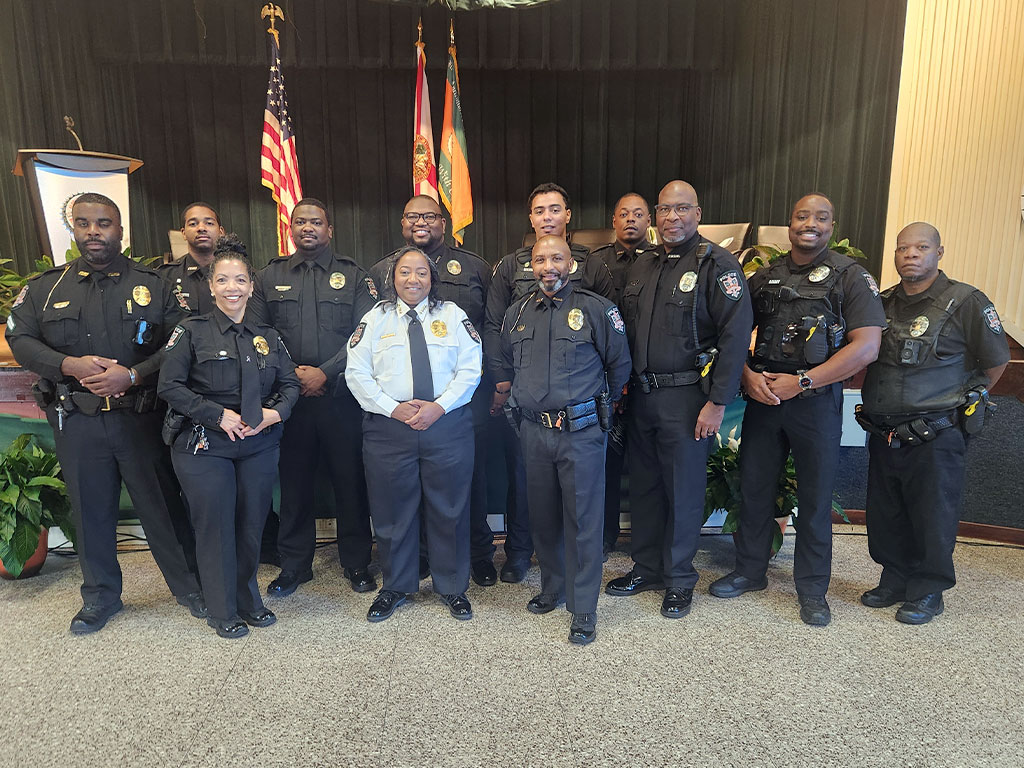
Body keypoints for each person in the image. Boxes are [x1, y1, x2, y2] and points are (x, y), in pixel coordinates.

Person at [7, 192, 204, 634]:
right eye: (84, 224)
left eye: (103, 223)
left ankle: (192, 590)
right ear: (73, 230)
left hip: (140, 417)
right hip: (77, 420)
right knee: (90, 511)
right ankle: (99, 598)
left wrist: (132, 376)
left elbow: (182, 340)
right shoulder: (45, 288)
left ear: (120, 230)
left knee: (163, 508)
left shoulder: (154, 284)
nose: (93, 231)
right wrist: (68, 366)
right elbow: (21, 340)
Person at [709, 193, 886, 626]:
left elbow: (867, 346)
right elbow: (729, 333)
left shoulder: (850, 277)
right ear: (790, 224)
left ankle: (812, 590)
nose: (810, 223)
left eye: (821, 217)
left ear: (832, 226)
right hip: (765, 397)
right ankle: (750, 571)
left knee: (815, 498)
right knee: (754, 490)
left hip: (814, 401)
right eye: (802, 216)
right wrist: (747, 376)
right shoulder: (765, 276)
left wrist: (804, 381)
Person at [604, 181, 752, 620]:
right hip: (643, 397)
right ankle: (647, 568)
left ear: (698, 213)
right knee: (646, 489)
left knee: (683, 491)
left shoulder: (716, 264)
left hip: (689, 398)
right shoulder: (645, 263)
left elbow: (735, 336)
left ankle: (680, 579)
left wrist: (717, 402)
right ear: (656, 214)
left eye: (681, 209)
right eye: (665, 210)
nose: (672, 218)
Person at [857, 222, 1008, 624]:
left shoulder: (967, 301)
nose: (911, 254)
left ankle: (928, 590)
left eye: (921, 247)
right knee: (886, 511)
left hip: (937, 431)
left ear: (939, 252)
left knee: (932, 513)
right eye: (903, 248)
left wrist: (961, 402)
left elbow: (996, 362)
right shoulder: (882, 303)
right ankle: (894, 579)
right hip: (884, 430)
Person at [158, 235, 299, 639]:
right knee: (216, 525)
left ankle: (247, 598)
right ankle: (221, 608)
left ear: (252, 286)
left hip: (258, 443)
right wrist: (217, 415)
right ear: (211, 285)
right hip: (205, 446)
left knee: (251, 524)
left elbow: (289, 384)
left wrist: (274, 414)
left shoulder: (267, 336)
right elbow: (169, 386)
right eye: (223, 280)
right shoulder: (190, 332)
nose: (232, 288)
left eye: (240, 280)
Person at [499, 235, 631, 644]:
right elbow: (507, 361)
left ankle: (584, 606)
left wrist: (594, 412)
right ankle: (553, 587)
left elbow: (619, 367)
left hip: (581, 433)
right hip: (534, 432)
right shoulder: (516, 313)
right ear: (532, 266)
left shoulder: (596, 309)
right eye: (540, 259)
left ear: (570, 264)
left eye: (556, 258)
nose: (547, 266)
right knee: (543, 516)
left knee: (583, 522)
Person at [248, 198, 378, 597]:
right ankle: (294, 565)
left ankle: (356, 563)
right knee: (294, 484)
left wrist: (325, 372)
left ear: (329, 229)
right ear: (291, 228)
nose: (309, 227)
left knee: (350, 483)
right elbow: (258, 334)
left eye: (317, 222)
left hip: (341, 399)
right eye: (301, 221)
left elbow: (366, 333)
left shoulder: (353, 276)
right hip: (289, 403)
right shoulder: (268, 277)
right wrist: (294, 376)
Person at [485, 182, 614, 584]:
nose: (547, 217)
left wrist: (600, 394)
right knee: (529, 488)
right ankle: (522, 554)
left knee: (578, 502)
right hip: (528, 405)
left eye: (554, 209)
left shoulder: (589, 264)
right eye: (539, 211)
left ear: (567, 216)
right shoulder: (510, 266)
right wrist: (503, 382)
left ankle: (578, 590)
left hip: (578, 407)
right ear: (531, 218)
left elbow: (611, 333)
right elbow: (495, 326)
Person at [346, 246, 482, 623]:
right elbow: (356, 373)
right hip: (390, 428)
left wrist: (439, 407)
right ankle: (396, 586)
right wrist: (394, 408)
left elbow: (471, 370)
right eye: (405, 272)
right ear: (393, 278)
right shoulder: (375, 319)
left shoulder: (454, 317)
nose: (413, 280)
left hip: (446, 425)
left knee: (450, 509)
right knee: (392, 511)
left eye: (421, 273)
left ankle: (453, 587)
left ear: (433, 279)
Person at [368, 195, 497, 587]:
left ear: (444, 221)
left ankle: (475, 558)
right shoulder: (377, 274)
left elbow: (489, 329)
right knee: (401, 500)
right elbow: (363, 356)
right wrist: (393, 408)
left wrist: (446, 404)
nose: (413, 279)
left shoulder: (475, 268)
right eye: (412, 216)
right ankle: (413, 568)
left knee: (461, 492)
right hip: (395, 417)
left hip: (458, 405)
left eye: (429, 215)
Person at [588, 193, 656, 556]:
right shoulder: (595, 263)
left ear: (650, 221)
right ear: (613, 221)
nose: (631, 220)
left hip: (649, 375)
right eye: (623, 214)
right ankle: (605, 535)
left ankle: (646, 543)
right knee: (606, 462)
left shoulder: (664, 262)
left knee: (647, 465)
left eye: (639, 214)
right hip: (606, 377)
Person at [158, 202, 225, 316]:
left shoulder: (243, 277)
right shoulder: (165, 277)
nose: (201, 228)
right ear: (183, 233)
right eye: (193, 224)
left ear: (221, 232)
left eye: (209, 223)